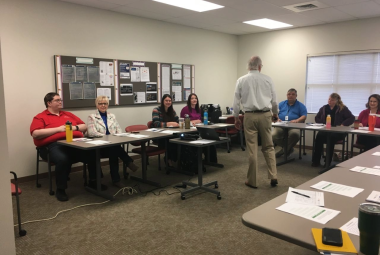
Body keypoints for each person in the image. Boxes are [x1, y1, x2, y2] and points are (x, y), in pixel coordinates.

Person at [30, 92, 102, 202]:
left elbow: (84, 126)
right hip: (53, 146)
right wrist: (58, 129)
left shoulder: (68, 114)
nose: (60, 102)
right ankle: (61, 189)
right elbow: (35, 133)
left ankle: (93, 181)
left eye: (60, 100)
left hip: (74, 143)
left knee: (93, 152)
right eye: (57, 100)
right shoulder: (40, 117)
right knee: (63, 159)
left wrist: (74, 128)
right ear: (49, 103)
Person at [233, 56, 278, 189]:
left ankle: (252, 181)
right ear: (260, 67)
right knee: (269, 146)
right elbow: (274, 100)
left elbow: (236, 102)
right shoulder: (268, 79)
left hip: (249, 116)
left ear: (249, 66)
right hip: (265, 115)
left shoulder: (241, 80)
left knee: (252, 149)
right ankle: (273, 175)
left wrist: (236, 118)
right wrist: (275, 113)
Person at [87, 96, 138, 186]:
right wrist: (108, 137)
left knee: (114, 150)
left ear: (108, 105)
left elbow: (119, 130)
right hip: (99, 147)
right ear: (97, 105)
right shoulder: (92, 117)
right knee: (115, 149)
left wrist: (115, 137)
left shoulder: (112, 116)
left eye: (105, 103)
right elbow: (91, 133)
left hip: (111, 145)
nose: (103, 105)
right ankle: (126, 164)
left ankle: (117, 178)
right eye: (100, 103)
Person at [312, 93, 355, 167]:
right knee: (319, 136)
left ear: (336, 101)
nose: (330, 101)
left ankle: (328, 162)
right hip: (326, 129)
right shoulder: (324, 108)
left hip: (338, 131)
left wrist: (343, 124)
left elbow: (351, 118)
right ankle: (316, 161)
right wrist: (322, 123)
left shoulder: (342, 108)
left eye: (332, 100)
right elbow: (317, 118)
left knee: (331, 138)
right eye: (329, 99)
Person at [180, 93, 217, 163]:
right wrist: (195, 121)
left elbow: (200, 120)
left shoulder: (199, 109)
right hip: (190, 130)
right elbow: (183, 121)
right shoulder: (185, 109)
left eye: (195, 98)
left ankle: (210, 160)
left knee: (211, 138)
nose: (194, 100)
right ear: (189, 100)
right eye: (192, 98)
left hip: (199, 129)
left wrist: (196, 121)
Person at [272, 88, 307, 158]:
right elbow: (274, 113)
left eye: (293, 94)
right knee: (273, 135)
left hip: (294, 125)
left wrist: (297, 120)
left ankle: (284, 150)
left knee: (295, 134)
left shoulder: (300, 105)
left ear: (296, 95)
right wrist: (277, 118)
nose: (290, 96)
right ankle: (288, 149)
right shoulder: (281, 104)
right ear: (286, 95)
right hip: (281, 125)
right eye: (289, 94)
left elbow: (304, 116)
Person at [152, 94, 179, 166]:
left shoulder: (172, 111)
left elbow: (178, 121)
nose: (168, 102)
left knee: (180, 140)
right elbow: (156, 124)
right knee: (171, 141)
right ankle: (169, 159)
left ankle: (176, 159)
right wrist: (169, 123)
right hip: (160, 136)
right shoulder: (156, 110)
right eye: (166, 100)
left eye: (170, 101)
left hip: (172, 133)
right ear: (163, 101)